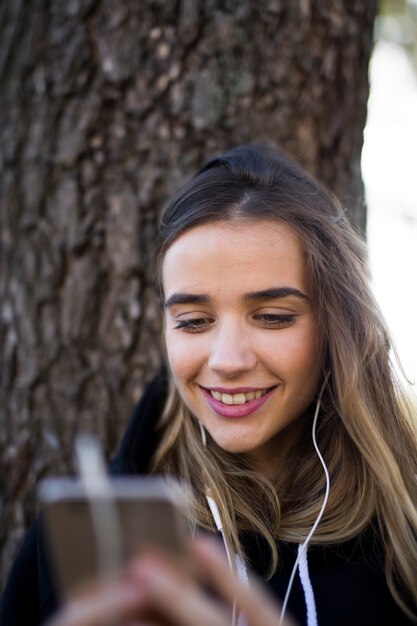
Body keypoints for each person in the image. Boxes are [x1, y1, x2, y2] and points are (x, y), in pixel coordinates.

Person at [1, 144, 416, 626]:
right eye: (194, 321)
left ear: (336, 327)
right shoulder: (77, 549)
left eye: (273, 317)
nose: (227, 361)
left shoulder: (402, 545)